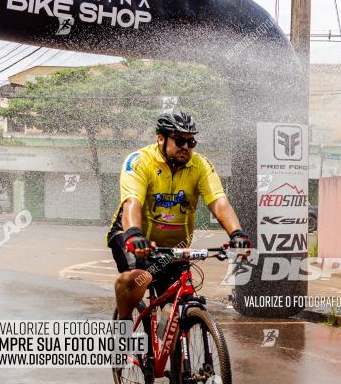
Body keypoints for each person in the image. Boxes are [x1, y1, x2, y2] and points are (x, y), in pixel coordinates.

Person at [107, 111, 251, 320]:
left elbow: (219, 202)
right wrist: (134, 235)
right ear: (160, 138)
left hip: (176, 245)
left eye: (191, 141)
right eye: (180, 140)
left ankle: (175, 349)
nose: (186, 146)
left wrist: (237, 234)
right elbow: (132, 203)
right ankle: (125, 331)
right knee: (136, 279)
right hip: (133, 236)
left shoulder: (200, 165)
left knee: (176, 306)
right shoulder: (140, 161)